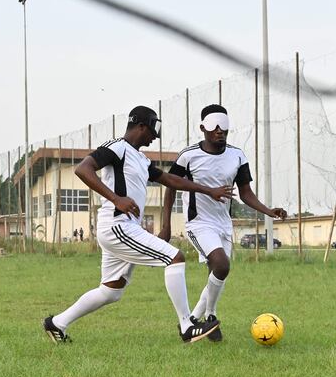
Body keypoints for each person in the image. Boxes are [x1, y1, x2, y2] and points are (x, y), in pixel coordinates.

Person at [43, 105, 234, 344]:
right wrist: (116, 199)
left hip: (123, 228)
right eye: (154, 129)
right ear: (141, 125)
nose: (155, 136)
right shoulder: (117, 147)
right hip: (117, 226)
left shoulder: (141, 159)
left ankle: (57, 323)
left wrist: (209, 190)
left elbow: (170, 179)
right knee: (175, 258)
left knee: (111, 291)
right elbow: (83, 169)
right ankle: (187, 325)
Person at [158, 104, 287, 341]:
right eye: (214, 126)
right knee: (221, 264)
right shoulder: (189, 156)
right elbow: (171, 186)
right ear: (203, 128)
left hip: (223, 225)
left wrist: (268, 211)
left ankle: (195, 322)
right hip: (199, 223)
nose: (219, 130)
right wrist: (166, 225)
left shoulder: (237, 155)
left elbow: (245, 193)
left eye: (224, 126)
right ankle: (211, 316)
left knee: (216, 274)